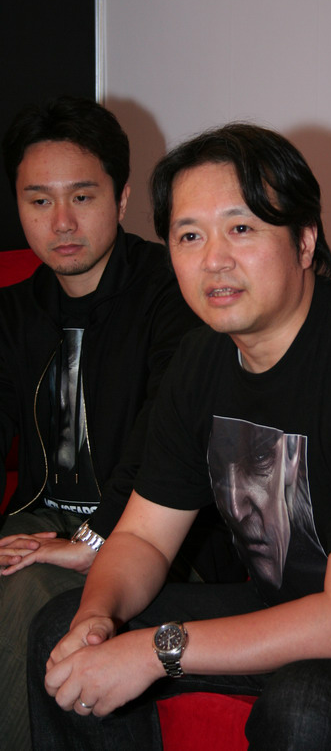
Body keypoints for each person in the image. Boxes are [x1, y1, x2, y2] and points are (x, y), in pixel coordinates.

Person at [27, 122, 331, 751]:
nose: (214, 260)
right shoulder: (201, 362)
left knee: (305, 706)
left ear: (305, 241)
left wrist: (155, 650)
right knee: (60, 631)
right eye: (190, 236)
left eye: (241, 229)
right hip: (286, 606)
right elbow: (144, 537)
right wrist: (98, 619)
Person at [0, 98, 239, 750]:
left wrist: (95, 535)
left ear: (122, 195)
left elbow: (167, 430)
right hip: (40, 520)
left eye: (82, 196)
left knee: (29, 592)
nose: (62, 222)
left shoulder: (173, 292)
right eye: (39, 201)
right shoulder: (13, 314)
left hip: (158, 541)